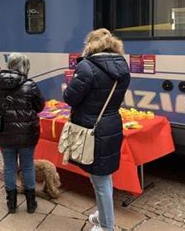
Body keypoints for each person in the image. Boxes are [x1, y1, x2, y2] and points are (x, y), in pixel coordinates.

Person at [62, 29, 130, 231]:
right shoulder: (122, 65)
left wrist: (69, 86)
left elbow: (70, 98)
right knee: (102, 176)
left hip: (92, 128)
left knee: (100, 181)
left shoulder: (87, 67)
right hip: (111, 124)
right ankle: (102, 214)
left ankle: (106, 226)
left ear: (91, 44)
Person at [0, 53, 45, 214]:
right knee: (27, 167)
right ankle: (30, 203)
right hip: (27, 134)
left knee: (9, 167)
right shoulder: (30, 85)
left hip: (4, 133)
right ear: (25, 67)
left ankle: (11, 204)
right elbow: (40, 106)